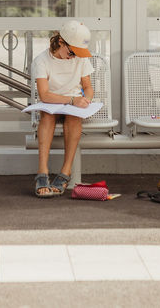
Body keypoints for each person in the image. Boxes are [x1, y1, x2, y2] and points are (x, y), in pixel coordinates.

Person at [31, 20, 94, 198]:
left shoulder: (80, 58)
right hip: (52, 102)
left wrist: (86, 100)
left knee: (74, 118)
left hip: (72, 105)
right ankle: (42, 171)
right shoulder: (42, 60)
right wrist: (73, 100)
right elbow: (44, 95)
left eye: (78, 53)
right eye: (72, 52)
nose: (74, 56)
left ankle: (66, 171)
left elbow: (88, 87)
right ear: (60, 42)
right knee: (47, 116)